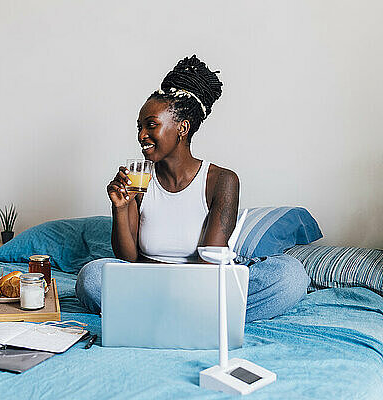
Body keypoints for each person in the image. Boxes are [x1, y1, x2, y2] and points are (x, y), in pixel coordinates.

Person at [75, 55, 309, 321]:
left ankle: (154, 314)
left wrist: (156, 278)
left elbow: (208, 266)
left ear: (182, 128)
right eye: (139, 127)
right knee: (92, 276)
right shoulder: (138, 177)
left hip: (202, 286)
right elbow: (128, 259)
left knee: (290, 276)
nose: (141, 135)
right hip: (156, 285)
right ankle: (200, 317)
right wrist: (121, 207)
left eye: (151, 125)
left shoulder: (222, 180)